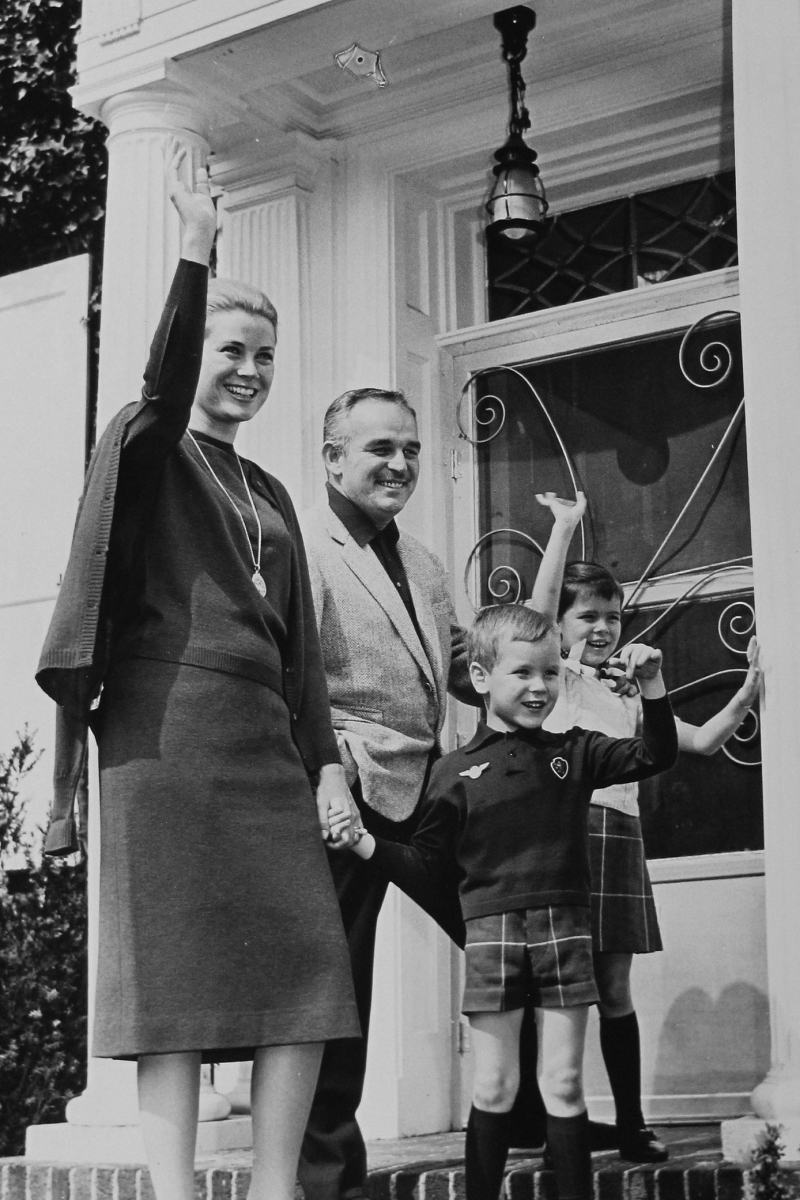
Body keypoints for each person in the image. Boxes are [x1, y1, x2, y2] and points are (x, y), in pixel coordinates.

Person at [35, 140, 359, 1200]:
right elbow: (162, 382)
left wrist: (322, 765)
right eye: (231, 349)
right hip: (163, 740)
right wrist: (193, 246)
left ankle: (272, 1188)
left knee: (307, 969)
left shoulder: (267, 487)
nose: (250, 371)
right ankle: (171, 1193)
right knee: (171, 980)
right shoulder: (148, 439)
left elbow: (300, 649)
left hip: (261, 749)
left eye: (265, 355)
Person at [344, 604, 678, 1200]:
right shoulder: (452, 773)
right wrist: (367, 845)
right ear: (480, 677)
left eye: (550, 673)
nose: (539, 687)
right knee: (494, 1087)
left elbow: (656, 754)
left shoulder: (575, 751)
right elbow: (425, 865)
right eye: (522, 673)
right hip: (491, 935)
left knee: (565, 1084)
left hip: (566, 929)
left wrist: (651, 685)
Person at [530, 491, 762, 1162]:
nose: (600, 629)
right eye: (588, 617)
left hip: (620, 837)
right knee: (561, 985)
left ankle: (631, 1124)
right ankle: (560, 1132)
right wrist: (566, 527)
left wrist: (747, 691)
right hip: (566, 837)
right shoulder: (557, 682)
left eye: (612, 617)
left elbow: (703, 742)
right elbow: (538, 617)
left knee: (613, 987)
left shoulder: (626, 691)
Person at [297, 387, 488, 1200]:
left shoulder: (425, 562)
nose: (401, 463)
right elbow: (289, 676)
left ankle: (520, 1112)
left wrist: (568, 668)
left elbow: (461, 667)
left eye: (410, 448)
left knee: (502, 935)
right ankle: (328, 1178)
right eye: (380, 448)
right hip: (346, 791)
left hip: (430, 793)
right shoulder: (304, 549)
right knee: (337, 992)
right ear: (334, 457)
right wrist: (325, 771)